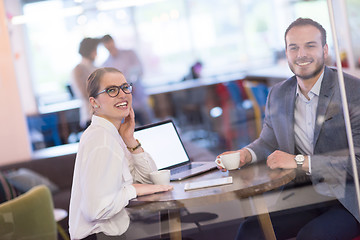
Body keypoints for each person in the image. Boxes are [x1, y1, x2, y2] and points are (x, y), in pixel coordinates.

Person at [216, 18, 360, 239]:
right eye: (294, 47)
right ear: (286, 53)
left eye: (310, 45)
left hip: (350, 196)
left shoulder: (352, 91)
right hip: (305, 194)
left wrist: (299, 161)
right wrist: (245, 154)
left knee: (311, 236)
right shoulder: (278, 94)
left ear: (325, 50)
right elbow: (268, 140)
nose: (301, 54)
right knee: (250, 231)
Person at [68, 67, 173, 240]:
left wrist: (130, 141)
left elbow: (149, 180)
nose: (122, 94)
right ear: (94, 103)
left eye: (125, 87)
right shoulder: (102, 141)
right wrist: (133, 190)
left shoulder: (112, 134)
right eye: (111, 90)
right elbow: (96, 208)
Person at [101, 34, 154, 126]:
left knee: (148, 122)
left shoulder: (129, 53)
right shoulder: (106, 64)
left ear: (113, 42)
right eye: (107, 47)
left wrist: (130, 84)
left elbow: (139, 70)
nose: (110, 48)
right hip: (123, 101)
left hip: (138, 96)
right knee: (129, 126)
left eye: (110, 45)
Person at [71, 37, 100, 129]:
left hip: (102, 114)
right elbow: (84, 93)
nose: (96, 53)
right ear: (90, 51)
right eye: (95, 49)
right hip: (90, 116)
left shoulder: (95, 67)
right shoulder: (78, 69)